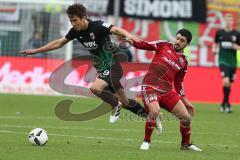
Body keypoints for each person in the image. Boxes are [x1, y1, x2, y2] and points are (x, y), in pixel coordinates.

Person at [19, 3, 162, 131]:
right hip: (102, 68)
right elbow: (59, 43)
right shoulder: (75, 31)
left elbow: (118, 30)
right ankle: (151, 118)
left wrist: (133, 39)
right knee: (126, 102)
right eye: (71, 21)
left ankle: (115, 105)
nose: (73, 24)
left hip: (113, 65)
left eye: (75, 20)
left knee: (95, 88)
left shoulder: (98, 26)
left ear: (84, 18)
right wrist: (36, 50)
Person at [127, 29, 201, 151]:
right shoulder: (164, 45)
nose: (178, 42)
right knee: (154, 111)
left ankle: (185, 144)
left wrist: (186, 101)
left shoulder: (183, 61)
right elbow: (144, 44)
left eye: (182, 41)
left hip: (166, 91)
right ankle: (146, 141)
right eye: (177, 38)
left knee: (186, 118)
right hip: (150, 86)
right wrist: (129, 38)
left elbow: (178, 83)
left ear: (187, 44)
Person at [212, 13, 240, 113]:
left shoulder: (236, 34)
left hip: (232, 62)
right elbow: (215, 43)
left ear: (232, 22)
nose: (228, 22)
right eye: (226, 20)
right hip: (222, 61)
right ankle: (226, 104)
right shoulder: (219, 32)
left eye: (230, 20)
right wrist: (214, 49)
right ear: (224, 21)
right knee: (226, 81)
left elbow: (239, 47)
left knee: (229, 85)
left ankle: (225, 103)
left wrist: (235, 46)